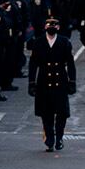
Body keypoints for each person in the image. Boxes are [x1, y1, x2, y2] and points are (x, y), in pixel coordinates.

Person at [28, 17, 76, 152]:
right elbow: (33, 64)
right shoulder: (38, 42)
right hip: (44, 82)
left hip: (60, 81)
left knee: (61, 113)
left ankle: (59, 137)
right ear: (45, 27)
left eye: (54, 26)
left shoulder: (64, 42)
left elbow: (70, 63)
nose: (52, 28)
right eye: (49, 25)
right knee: (46, 113)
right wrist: (32, 83)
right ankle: (49, 138)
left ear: (58, 28)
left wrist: (72, 81)